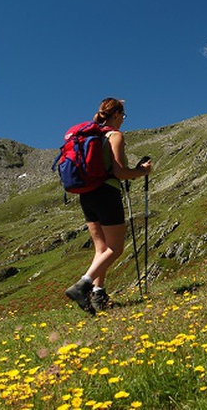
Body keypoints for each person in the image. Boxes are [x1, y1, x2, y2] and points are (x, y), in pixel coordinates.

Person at [65, 98, 152, 314]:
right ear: (115, 114)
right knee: (115, 248)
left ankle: (98, 295)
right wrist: (142, 171)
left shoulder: (91, 136)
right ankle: (82, 285)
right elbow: (120, 172)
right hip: (106, 193)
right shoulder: (115, 135)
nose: (123, 120)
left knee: (101, 249)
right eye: (122, 115)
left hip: (87, 194)